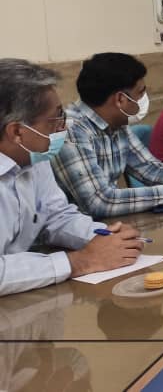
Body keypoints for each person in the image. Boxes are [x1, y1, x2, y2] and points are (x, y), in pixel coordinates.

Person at [0, 59, 146, 296]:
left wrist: (104, 237)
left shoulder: (33, 156)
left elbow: (57, 215)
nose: (63, 128)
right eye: (56, 119)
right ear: (17, 132)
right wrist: (79, 261)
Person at [52, 53, 163, 218]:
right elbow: (98, 201)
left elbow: (151, 169)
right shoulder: (70, 130)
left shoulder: (117, 123)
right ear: (121, 99)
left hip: (106, 224)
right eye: (140, 93)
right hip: (73, 229)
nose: (144, 99)